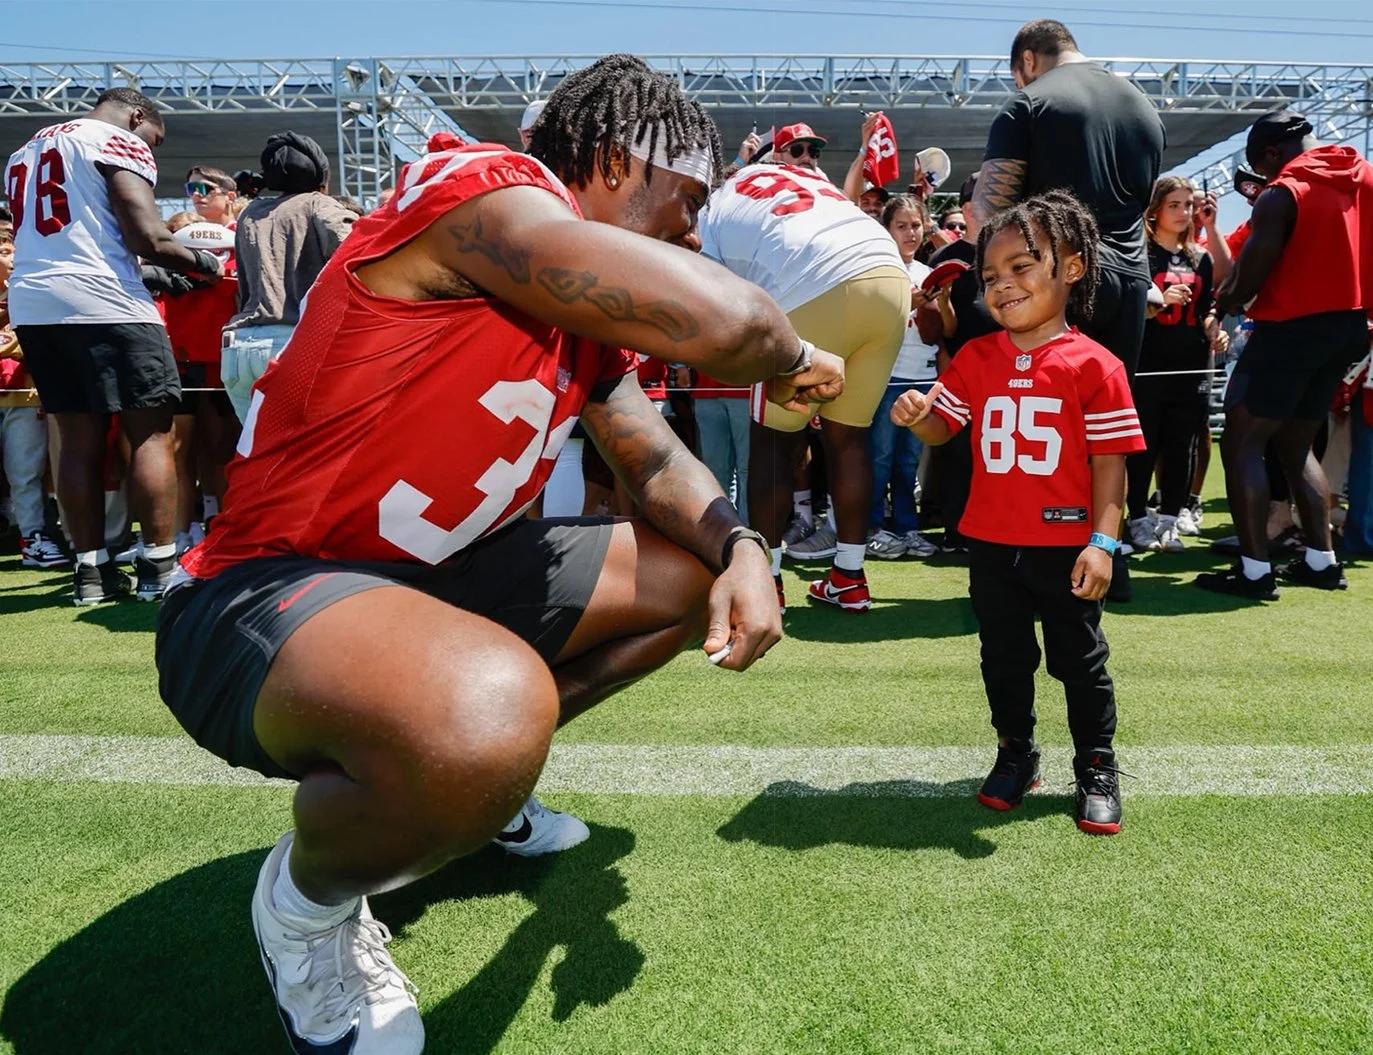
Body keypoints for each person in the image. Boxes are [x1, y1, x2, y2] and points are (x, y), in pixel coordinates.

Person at [154, 54, 844, 1054]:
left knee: (682, 576)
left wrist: (740, 544)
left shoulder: (574, 318)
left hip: (428, 584)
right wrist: (794, 352)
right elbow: (726, 321)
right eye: (685, 202)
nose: (694, 232)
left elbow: (651, 459)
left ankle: (465, 791)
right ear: (612, 162)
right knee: (487, 710)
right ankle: (305, 905)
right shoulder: (480, 190)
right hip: (257, 592)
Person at [892, 190, 1145, 835]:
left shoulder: (1098, 365)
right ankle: (1016, 752)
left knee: (1078, 659)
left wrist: (1103, 544)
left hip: (1066, 548)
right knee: (1003, 656)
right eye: (991, 275)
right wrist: (920, 419)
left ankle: (1096, 763)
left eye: (1022, 267)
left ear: (1073, 267)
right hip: (991, 543)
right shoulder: (976, 358)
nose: (1002, 285)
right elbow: (943, 433)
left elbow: (1110, 467)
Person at [5, 88, 224, 605]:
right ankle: (159, 565)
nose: (154, 148)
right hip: (105, 304)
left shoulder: (27, 148)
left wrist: (146, 270)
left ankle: (90, 572)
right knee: (150, 434)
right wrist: (205, 263)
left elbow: (73, 236)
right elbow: (146, 235)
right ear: (138, 116)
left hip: (36, 304)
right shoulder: (115, 139)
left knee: (76, 439)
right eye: (156, 138)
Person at [971, 18, 1165, 599]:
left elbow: (988, 212)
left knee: (1043, 427)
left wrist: (997, 284)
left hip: (1053, 284)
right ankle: (1109, 558)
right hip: (1127, 280)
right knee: (1109, 431)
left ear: (1028, 60)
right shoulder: (1144, 109)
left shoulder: (1028, 104)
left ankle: (1041, 566)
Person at [699, 147, 908, 612]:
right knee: (849, 438)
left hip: (816, 282)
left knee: (773, 439)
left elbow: (710, 287)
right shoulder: (804, 180)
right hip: (889, 277)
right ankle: (850, 577)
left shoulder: (716, 202)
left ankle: (768, 581)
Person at [1197, 111, 1373, 598]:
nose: (1263, 177)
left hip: (1292, 326)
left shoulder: (1283, 192)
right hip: (1350, 326)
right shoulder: (1365, 178)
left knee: (1240, 442)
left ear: (1272, 153)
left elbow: (1250, 274)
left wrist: (1221, 306)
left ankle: (1254, 572)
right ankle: (1321, 560)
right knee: (1296, 444)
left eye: (1262, 165)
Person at [220, 131, 356, 421]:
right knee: (311, 455)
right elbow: (358, 252)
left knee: (257, 453)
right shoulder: (319, 204)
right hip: (294, 343)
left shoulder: (251, 213)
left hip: (239, 349)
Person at [1125, 176, 1220, 554]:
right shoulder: (1139, 254)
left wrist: (1215, 328)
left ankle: (1170, 518)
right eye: (1175, 205)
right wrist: (1157, 300)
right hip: (1148, 366)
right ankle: (1136, 518)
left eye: (1188, 205)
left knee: (1183, 445)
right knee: (1143, 447)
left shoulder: (1202, 258)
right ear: (1155, 211)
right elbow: (1127, 311)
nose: (1184, 212)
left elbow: (1208, 308)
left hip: (1191, 365)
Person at [926, 172, 1001, 552]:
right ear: (969, 208)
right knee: (958, 454)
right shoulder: (944, 258)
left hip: (1007, 368)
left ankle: (994, 529)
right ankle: (956, 530)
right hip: (959, 371)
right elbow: (937, 327)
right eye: (990, 199)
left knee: (997, 453)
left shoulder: (1007, 253)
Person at [866, 194, 941, 560]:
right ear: (887, 230)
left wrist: (934, 305)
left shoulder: (929, 273)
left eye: (916, 225)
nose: (910, 233)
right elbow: (869, 327)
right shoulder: (876, 269)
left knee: (908, 459)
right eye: (901, 226)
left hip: (921, 377)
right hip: (885, 377)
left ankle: (907, 528)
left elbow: (934, 334)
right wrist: (904, 304)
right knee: (879, 456)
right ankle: (872, 528)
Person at [0, 229, 65, 568]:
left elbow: (40, 343)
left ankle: (33, 538)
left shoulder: (30, 292)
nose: (6, 257)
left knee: (24, 473)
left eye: (8, 249)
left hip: (22, 396)